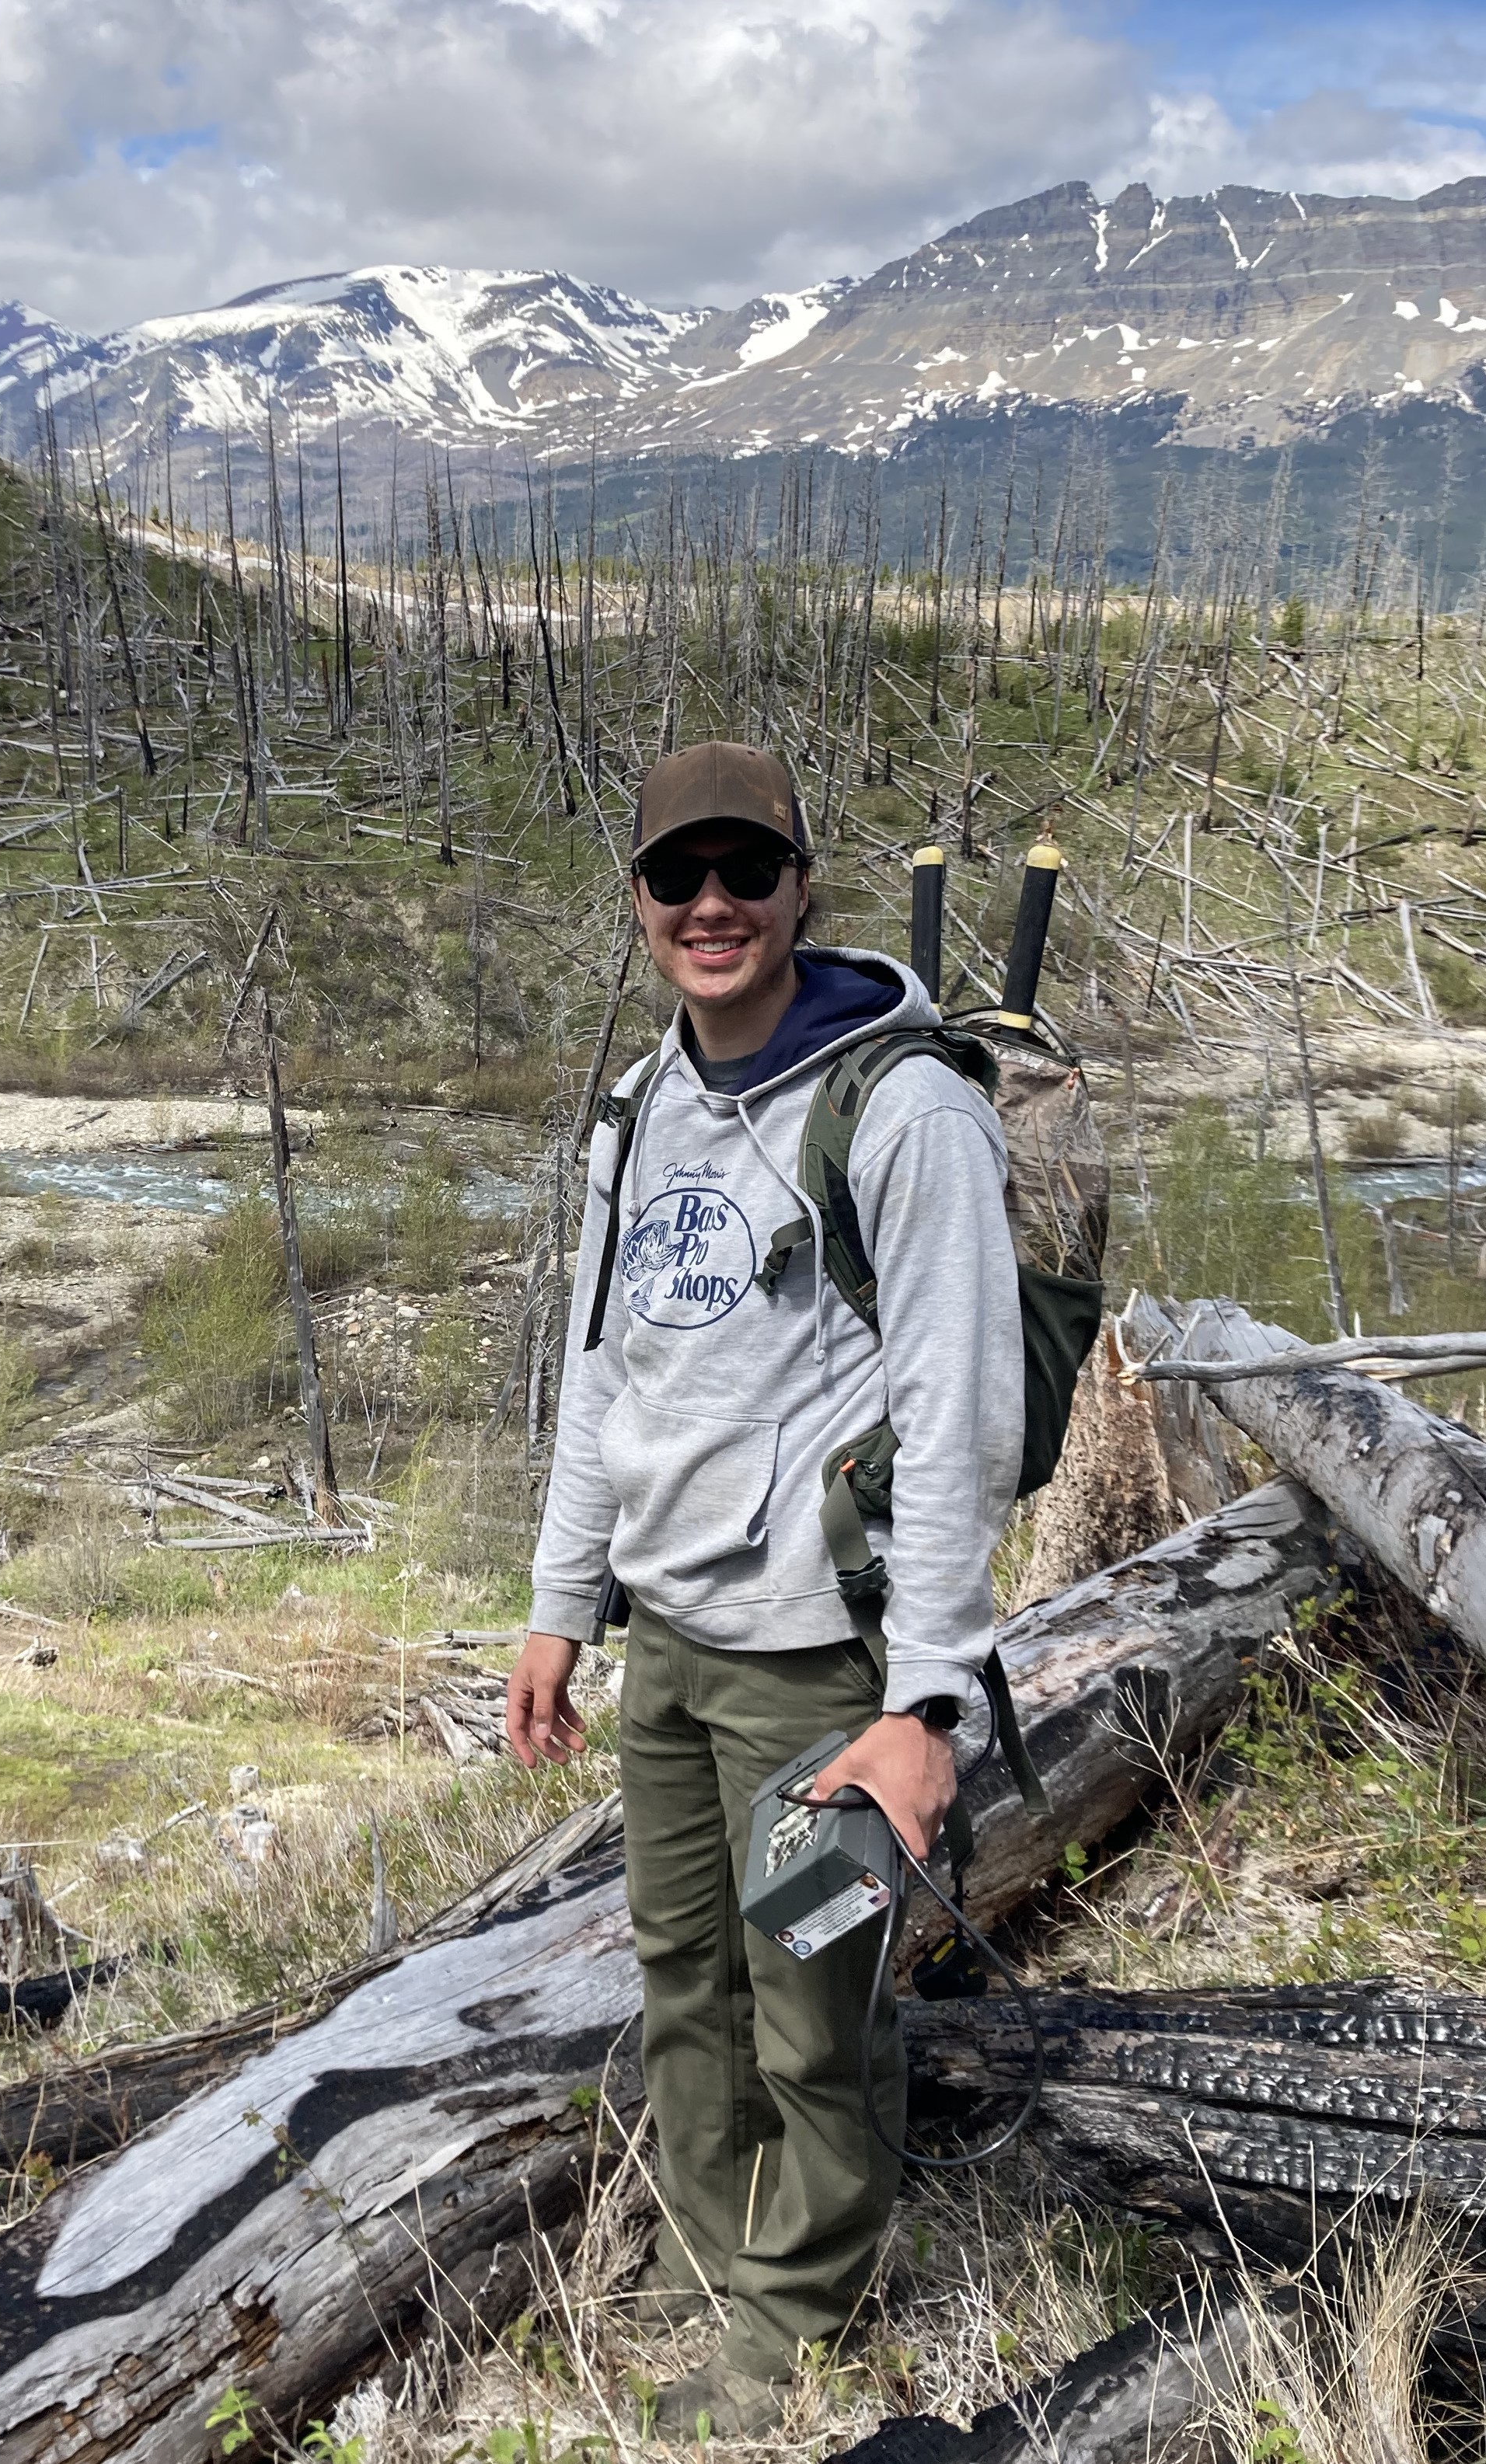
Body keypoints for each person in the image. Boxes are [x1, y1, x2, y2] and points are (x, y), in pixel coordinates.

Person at [507, 741, 1022, 2439]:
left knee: (813, 2008)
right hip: (670, 1657)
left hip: (818, 1670)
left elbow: (959, 1412)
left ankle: (794, 2320)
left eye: (748, 870)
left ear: (805, 882)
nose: (712, 904)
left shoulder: (906, 1104)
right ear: (642, 904)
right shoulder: (642, 1102)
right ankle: (711, 2249)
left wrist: (927, 1700)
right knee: (684, 1982)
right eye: (679, 876)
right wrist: (558, 1599)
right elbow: (606, 1373)